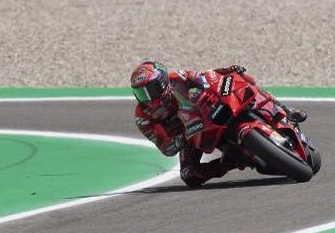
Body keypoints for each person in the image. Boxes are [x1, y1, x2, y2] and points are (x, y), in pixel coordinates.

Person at [130, 60, 307, 186]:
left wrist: (225, 71)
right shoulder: (143, 116)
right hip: (189, 135)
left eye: (150, 90)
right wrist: (181, 138)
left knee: (243, 77)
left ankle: (286, 110)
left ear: (162, 81)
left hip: (205, 109)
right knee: (189, 176)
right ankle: (232, 161)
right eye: (141, 93)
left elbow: (204, 76)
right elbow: (166, 148)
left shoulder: (177, 78)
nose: (148, 98)